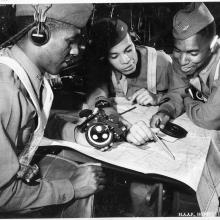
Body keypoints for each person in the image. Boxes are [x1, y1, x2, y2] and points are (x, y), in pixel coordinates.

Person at [0, 4, 106, 218]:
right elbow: (3, 196)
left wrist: (77, 134)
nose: (75, 51)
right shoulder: (6, 92)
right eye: (70, 41)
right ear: (38, 34)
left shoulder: (21, 73)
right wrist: (71, 188)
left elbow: (33, 121)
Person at [84, 18, 172, 216]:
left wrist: (159, 98)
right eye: (114, 55)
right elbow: (97, 97)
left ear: (133, 40)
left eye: (128, 49)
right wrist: (114, 119)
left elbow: (187, 95)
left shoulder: (161, 62)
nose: (125, 60)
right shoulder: (104, 70)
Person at [150, 2, 220, 131]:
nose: (182, 61)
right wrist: (165, 111)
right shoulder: (181, 60)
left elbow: (209, 119)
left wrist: (187, 98)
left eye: (193, 53)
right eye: (178, 50)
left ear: (213, 46)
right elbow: (177, 92)